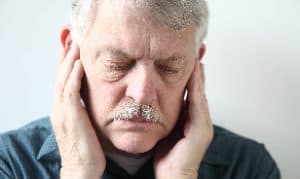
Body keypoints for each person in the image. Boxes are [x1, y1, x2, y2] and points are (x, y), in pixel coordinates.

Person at [0, 0, 280, 178]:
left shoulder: (247, 167)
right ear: (71, 50)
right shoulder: (10, 163)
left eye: (170, 67)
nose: (143, 94)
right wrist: (78, 173)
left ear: (196, 63)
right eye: (117, 63)